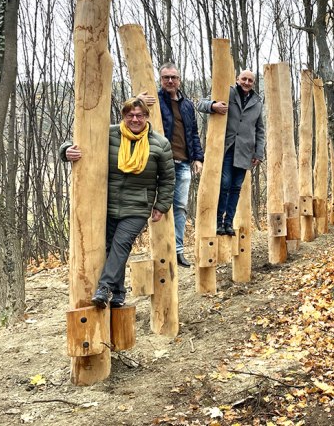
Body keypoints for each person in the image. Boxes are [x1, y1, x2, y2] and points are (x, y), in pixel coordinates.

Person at [60, 98, 175, 308]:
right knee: (110, 247)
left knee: (121, 245)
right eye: (130, 115)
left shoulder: (160, 143)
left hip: (138, 206)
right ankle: (119, 293)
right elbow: (79, 140)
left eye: (139, 115)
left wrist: (161, 205)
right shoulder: (110, 134)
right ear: (123, 116)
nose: (135, 119)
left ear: (147, 117)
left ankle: (104, 288)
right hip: (107, 203)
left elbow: (167, 179)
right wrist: (66, 150)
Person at [138, 62, 204, 268]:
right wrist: (138, 101)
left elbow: (193, 133)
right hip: (160, 163)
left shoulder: (187, 105)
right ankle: (160, 251)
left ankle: (178, 251)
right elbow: (131, 116)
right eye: (166, 77)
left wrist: (198, 158)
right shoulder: (153, 100)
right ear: (161, 79)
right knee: (159, 207)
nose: (170, 81)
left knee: (180, 208)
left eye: (173, 77)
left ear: (179, 80)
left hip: (184, 163)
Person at [197, 69, 265, 236]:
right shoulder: (226, 91)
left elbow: (260, 129)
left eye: (250, 80)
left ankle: (228, 223)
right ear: (237, 79)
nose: (246, 82)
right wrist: (213, 106)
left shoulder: (257, 101)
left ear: (253, 83)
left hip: (245, 150)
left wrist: (259, 153)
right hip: (227, 147)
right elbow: (200, 103)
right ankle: (218, 221)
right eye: (244, 79)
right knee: (225, 183)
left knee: (235, 187)